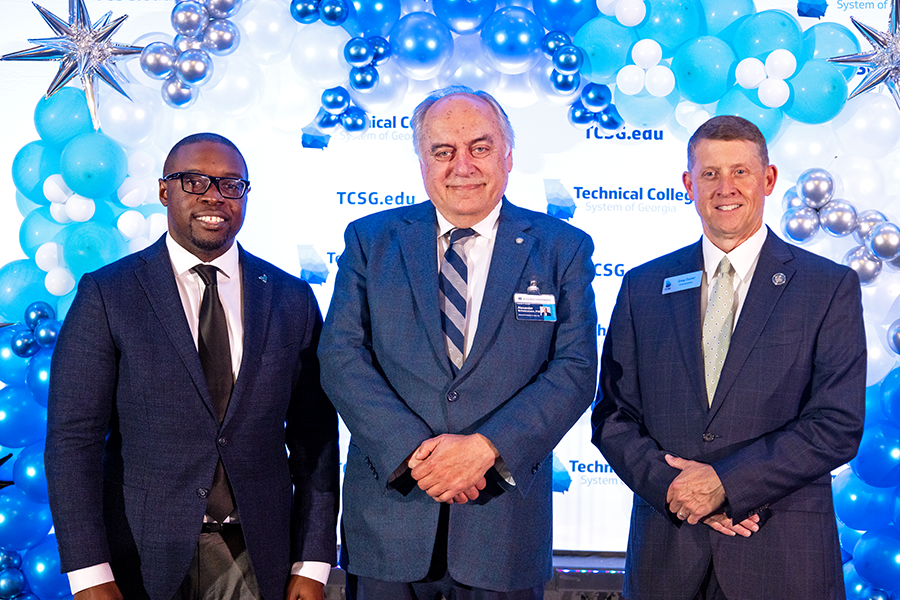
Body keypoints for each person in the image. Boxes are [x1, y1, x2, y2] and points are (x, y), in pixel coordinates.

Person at [318, 86, 598, 599]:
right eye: (443, 151)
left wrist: (486, 449)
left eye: (480, 147)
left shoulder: (562, 249)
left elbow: (575, 369)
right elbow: (341, 358)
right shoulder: (370, 240)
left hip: (503, 526)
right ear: (422, 162)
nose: (462, 165)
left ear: (509, 157)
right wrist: (418, 455)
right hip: (390, 521)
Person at [45, 133, 339, 600]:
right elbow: (72, 441)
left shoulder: (291, 299)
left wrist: (315, 561)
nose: (213, 197)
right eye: (194, 181)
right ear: (165, 191)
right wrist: (89, 574)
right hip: (141, 555)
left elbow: (315, 439)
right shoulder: (109, 294)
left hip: (259, 554)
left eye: (230, 185)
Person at [592, 115, 866, 600]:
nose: (725, 188)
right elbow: (613, 416)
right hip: (667, 552)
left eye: (740, 171)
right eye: (710, 173)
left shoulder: (826, 287)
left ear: (769, 179)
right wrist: (678, 492)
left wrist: (727, 483)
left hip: (781, 553)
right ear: (688, 184)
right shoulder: (642, 287)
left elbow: (836, 424)